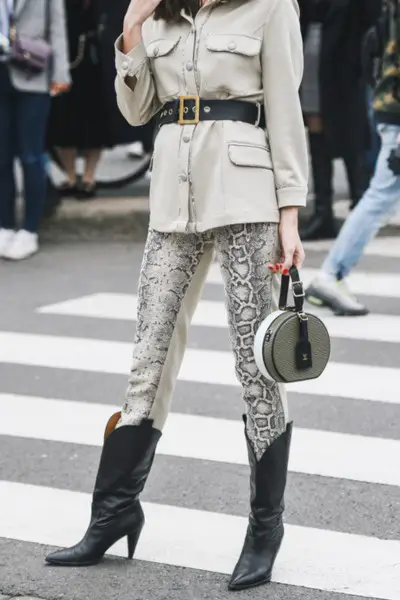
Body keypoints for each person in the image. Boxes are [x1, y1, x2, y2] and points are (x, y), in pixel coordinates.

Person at [45, 0, 308, 591]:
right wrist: (132, 28)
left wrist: (291, 213)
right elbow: (137, 110)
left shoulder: (269, 7)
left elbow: (286, 111)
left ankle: (265, 529)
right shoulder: (157, 19)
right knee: (149, 356)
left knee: (256, 363)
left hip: (247, 195)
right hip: (172, 198)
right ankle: (114, 513)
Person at [305, 0, 400, 316]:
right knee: (380, 196)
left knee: (379, 196)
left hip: (388, 106)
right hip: (395, 111)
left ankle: (332, 273)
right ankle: (331, 274)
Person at [299, 0, 382, 241]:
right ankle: (323, 214)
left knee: (351, 136)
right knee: (316, 131)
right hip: (312, 56)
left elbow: (371, 16)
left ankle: (361, 209)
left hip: (346, 68)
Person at [0, 0, 70, 260]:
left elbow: (57, 27)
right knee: (2, 156)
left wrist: (61, 74)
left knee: (31, 155)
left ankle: (30, 229)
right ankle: (4, 225)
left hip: (33, 70)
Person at [48, 0, 137, 199]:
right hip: (65, 58)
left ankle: (89, 177)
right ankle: (70, 176)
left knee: (94, 122)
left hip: (95, 61)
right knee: (63, 121)